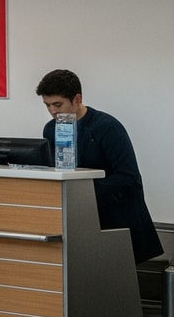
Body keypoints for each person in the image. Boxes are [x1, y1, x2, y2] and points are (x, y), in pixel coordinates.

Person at [37, 70, 161, 263]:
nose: (52, 111)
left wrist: (83, 193)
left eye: (57, 104)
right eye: (47, 105)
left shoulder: (106, 127)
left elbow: (128, 176)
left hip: (115, 218)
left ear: (77, 99)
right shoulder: (52, 129)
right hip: (77, 219)